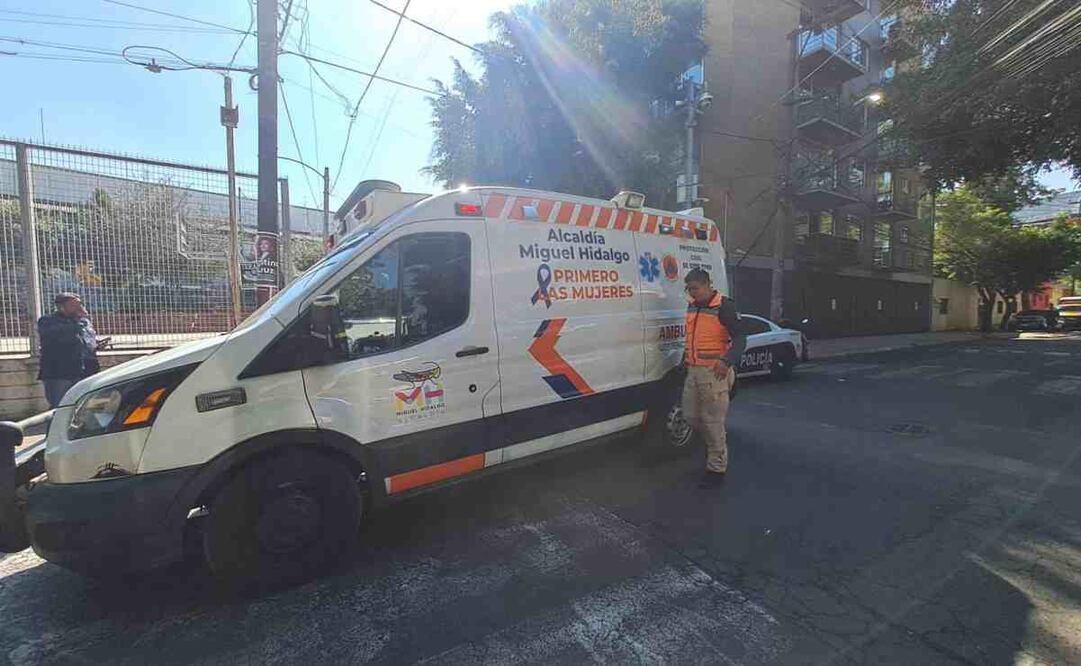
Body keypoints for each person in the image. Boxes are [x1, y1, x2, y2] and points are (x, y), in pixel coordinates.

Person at [682, 268, 746, 488]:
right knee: (691, 417)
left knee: (712, 422)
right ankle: (714, 443)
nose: (691, 294)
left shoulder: (724, 306)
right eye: (689, 289)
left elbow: (740, 338)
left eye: (695, 289)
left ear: (707, 285)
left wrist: (727, 361)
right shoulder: (693, 305)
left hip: (714, 373)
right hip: (693, 370)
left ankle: (716, 468)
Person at [37, 293, 102, 409]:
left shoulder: (84, 322)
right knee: (60, 407)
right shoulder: (47, 321)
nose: (79, 307)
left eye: (80, 304)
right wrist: (78, 321)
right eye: (74, 305)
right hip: (59, 373)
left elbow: (86, 341)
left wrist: (95, 345)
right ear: (61, 307)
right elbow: (60, 336)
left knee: (84, 407)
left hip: (83, 371)